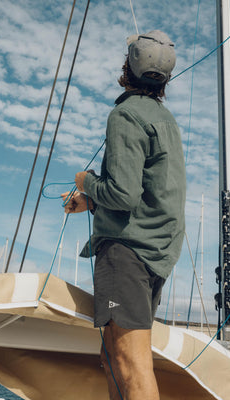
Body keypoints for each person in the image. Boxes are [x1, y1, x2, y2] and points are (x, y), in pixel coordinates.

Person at [62, 30, 186, 400]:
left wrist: (87, 183)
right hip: (156, 254)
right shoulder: (166, 121)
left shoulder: (125, 115)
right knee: (112, 357)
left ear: (127, 68)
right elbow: (148, 195)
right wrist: (92, 202)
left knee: (130, 364)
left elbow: (123, 193)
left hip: (126, 254)